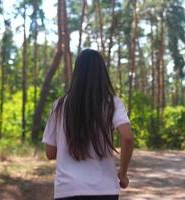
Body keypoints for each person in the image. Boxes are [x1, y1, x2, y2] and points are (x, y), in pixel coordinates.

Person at [42, 49, 133, 200]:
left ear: (77, 73)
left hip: (68, 190)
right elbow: (127, 137)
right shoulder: (112, 102)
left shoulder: (59, 106)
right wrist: (122, 174)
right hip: (104, 190)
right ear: (102, 73)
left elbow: (50, 153)